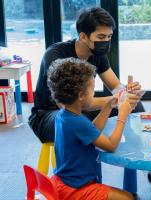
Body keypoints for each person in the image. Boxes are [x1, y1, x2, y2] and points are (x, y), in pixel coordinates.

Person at [28, 7, 143, 144]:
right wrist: (116, 100)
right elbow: (67, 106)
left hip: (78, 110)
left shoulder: (97, 53)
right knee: (75, 121)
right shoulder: (56, 55)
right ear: (83, 36)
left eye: (109, 36)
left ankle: (133, 155)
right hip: (49, 115)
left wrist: (128, 93)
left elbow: (116, 86)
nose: (106, 41)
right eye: (101, 37)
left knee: (133, 105)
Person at [47, 58, 133, 200]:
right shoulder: (77, 122)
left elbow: (91, 130)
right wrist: (122, 115)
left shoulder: (64, 115)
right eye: (92, 90)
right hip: (76, 188)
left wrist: (108, 106)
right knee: (127, 197)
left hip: (63, 182)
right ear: (81, 95)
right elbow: (111, 145)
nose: (94, 94)